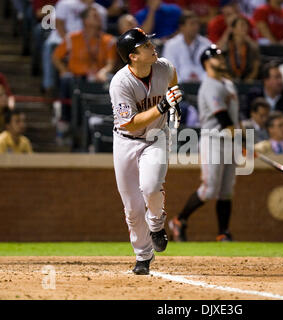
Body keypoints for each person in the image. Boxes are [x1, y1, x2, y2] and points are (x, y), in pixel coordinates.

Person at [111, 28, 182, 275]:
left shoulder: (163, 66)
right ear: (133, 56)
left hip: (156, 137)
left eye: (150, 42)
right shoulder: (121, 82)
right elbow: (129, 123)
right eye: (145, 45)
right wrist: (163, 106)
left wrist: (175, 104)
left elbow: (172, 79)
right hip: (126, 141)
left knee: (151, 187)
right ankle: (143, 257)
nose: (152, 46)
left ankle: (156, 224)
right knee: (131, 207)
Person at [169, 45, 240, 242]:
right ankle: (179, 220)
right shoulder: (209, 85)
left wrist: (242, 140)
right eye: (217, 57)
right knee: (209, 190)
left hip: (230, 141)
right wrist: (241, 140)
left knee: (226, 191)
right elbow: (223, 117)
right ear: (207, 62)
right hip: (214, 140)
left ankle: (223, 232)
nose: (222, 59)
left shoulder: (228, 84)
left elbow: (234, 118)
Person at [52, 7, 116, 124]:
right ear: (85, 21)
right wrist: (63, 70)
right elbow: (56, 57)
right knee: (66, 79)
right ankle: (65, 119)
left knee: (114, 80)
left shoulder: (108, 40)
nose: (99, 18)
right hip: (76, 77)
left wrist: (103, 72)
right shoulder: (72, 38)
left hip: (98, 77)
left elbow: (110, 64)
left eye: (99, 16)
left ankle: (110, 119)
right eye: (94, 16)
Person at [41, 0, 107, 96]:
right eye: (94, 17)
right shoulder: (65, 3)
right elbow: (59, 24)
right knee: (50, 46)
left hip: (88, 42)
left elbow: (101, 31)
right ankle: (49, 86)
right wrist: (70, 43)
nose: (97, 18)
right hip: (62, 38)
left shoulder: (100, 10)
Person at [246, 61, 283, 132]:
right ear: (266, 80)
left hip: (281, 134)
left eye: (281, 77)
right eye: (277, 77)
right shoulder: (254, 95)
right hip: (257, 133)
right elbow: (244, 114)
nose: (280, 81)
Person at [162, 10, 211, 82]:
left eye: (197, 24)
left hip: (204, 84)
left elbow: (211, 68)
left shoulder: (206, 43)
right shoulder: (171, 45)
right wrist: (182, 84)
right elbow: (169, 70)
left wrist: (204, 81)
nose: (196, 27)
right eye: (192, 24)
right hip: (180, 84)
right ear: (182, 27)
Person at [222, 16, 260, 81]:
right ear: (233, 29)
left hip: (248, 81)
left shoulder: (251, 46)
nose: (245, 28)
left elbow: (256, 65)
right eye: (242, 25)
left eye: (246, 25)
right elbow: (220, 60)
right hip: (228, 81)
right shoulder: (227, 45)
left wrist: (249, 79)